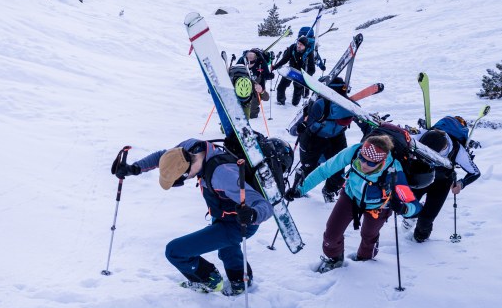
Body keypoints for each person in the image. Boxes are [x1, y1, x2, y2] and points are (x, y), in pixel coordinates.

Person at [114, 138, 273, 294]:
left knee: (175, 251)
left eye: (181, 178)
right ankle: (239, 282)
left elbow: (264, 205)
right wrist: (135, 168)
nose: (185, 180)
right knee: (227, 250)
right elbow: (163, 157)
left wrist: (252, 215)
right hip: (224, 214)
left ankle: (209, 281)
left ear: (188, 167)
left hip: (241, 223)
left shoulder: (222, 175)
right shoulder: (189, 149)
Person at [295, 133, 421, 272]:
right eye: (362, 158)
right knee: (331, 233)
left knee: (369, 235)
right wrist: (300, 189)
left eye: (371, 163)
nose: (364, 164)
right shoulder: (355, 151)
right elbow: (325, 170)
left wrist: (403, 209)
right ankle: (335, 258)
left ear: (382, 161)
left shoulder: (394, 171)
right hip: (350, 196)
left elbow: (415, 206)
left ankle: (365, 258)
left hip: (378, 206)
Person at [411, 116, 481, 242]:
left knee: (427, 219)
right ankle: (411, 216)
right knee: (407, 205)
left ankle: (420, 239)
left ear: (444, 148)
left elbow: (475, 172)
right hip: (420, 176)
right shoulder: (420, 135)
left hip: (441, 183)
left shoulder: (457, 150)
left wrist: (461, 184)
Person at [287, 76, 357, 202]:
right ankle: (299, 191)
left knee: (338, 167)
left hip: (336, 137)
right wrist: (299, 128)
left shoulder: (350, 106)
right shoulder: (319, 105)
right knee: (309, 167)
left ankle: (329, 191)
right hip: (313, 137)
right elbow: (296, 127)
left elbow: (362, 120)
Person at [271, 31, 325, 107]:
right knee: (281, 87)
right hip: (291, 70)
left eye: (301, 45)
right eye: (298, 43)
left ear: (305, 46)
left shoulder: (309, 53)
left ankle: (295, 103)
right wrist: (275, 67)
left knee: (298, 88)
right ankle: (281, 101)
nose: (299, 46)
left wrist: (306, 76)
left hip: (301, 73)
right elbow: (284, 59)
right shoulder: (292, 47)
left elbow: (312, 69)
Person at [229, 48, 274, 118]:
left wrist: (262, 91)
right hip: (242, 84)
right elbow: (234, 72)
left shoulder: (261, 64)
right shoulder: (241, 61)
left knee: (252, 114)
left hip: (255, 84)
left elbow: (266, 98)